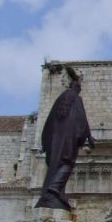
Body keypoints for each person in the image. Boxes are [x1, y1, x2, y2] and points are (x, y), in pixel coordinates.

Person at [37, 71, 94, 211]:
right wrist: (87, 137)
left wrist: (46, 143)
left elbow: (48, 122)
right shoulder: (76, 99)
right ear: (77, 88)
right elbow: (82, 121)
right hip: (68, 141)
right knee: (67, 163)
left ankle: (54, 191)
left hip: (55, 142)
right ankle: (54, 189)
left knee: (56, 166)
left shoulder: (61, 98)